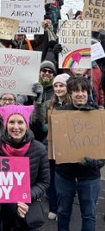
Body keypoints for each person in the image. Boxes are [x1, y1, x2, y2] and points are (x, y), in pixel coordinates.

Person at [54, 76, 104, 231]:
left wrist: (97, 162)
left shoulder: (98, 114)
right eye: (75, 91)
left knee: (89, 214)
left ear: (88, 92)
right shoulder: (59, 113)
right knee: (63, 212)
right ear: (69, 93)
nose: (80, 94)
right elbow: (53, 142)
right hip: (65, 175)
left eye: (83, 90)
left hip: (89, 175)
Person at [0, 105, 50, 230]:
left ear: (26, 125)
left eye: (20, 122)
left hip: (26, 208)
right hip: (1, 211)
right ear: (5, 125)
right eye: (11, 122)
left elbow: (44, 182)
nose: (16, 127)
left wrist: (24, 197)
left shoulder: (39, 150)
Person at [44, 73, 71, 221]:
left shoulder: (73, 103)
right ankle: (54, 208)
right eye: (56, 85)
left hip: (67, 148)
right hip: (52, 146)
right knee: (51, 179)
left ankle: (63, 209)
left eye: (62, 85)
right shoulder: (50, 103)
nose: (58, 88)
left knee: (64, 181)